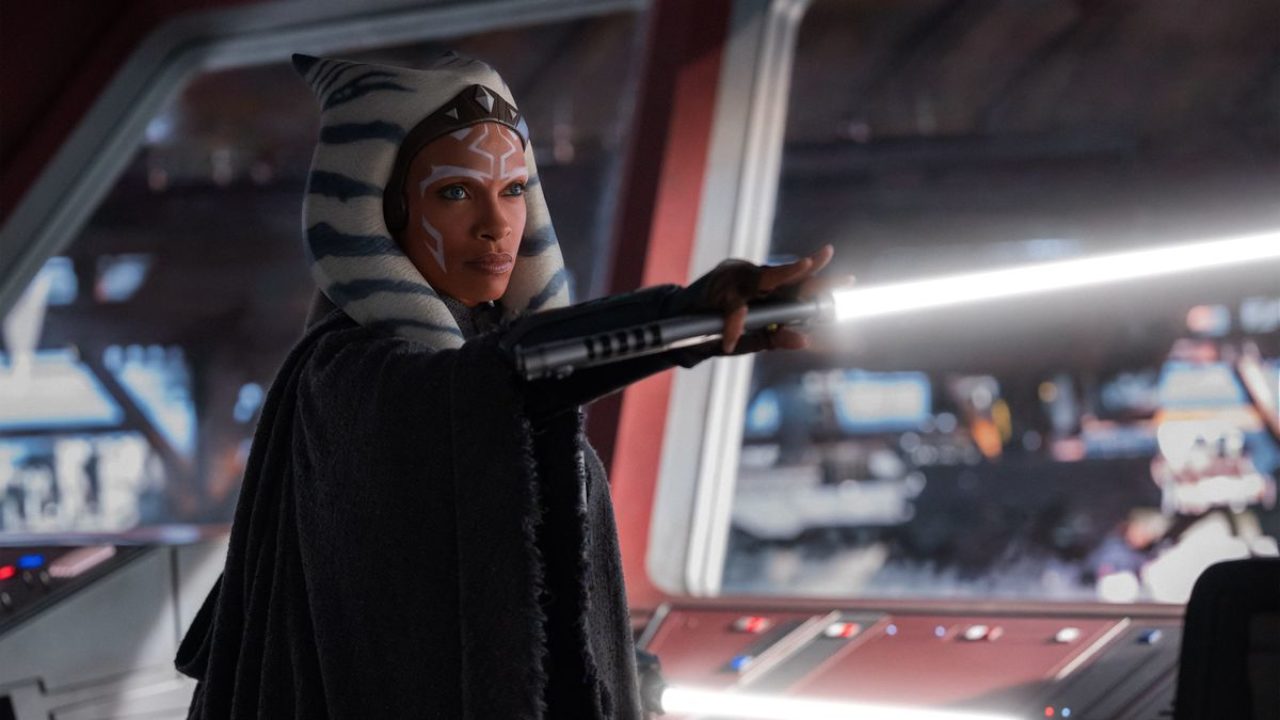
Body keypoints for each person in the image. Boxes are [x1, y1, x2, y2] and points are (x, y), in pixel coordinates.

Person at [175, 52, 834, 719]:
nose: (495, 224)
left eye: (513, 190)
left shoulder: (472, 358)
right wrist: (682, 318)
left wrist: (622, 675)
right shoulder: (348, 380)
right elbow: (495, 384)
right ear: (385, 211)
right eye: (455, 193)